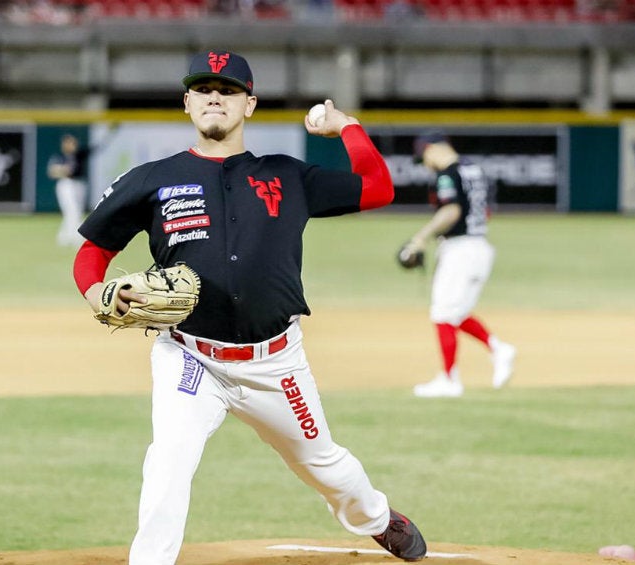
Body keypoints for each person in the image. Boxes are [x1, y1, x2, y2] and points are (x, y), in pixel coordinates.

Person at [72, 50, 427, 565]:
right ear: (188, 102)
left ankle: (376, 519)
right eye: (204, 88)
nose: (215, 96)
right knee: (168, 462)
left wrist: (348, 127)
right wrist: (98, 292)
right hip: (190, 359)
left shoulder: (287, 175)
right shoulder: (151, 179)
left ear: (250, 104)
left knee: (323, 464)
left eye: (229, 89)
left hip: (276, 361)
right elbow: (92, 252)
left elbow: (378, 188)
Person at [405, 129, 517, 398]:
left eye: (425, 159)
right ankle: (498, 348)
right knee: (456, 311)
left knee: (442, 312)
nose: (427, 166)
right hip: (480, 246)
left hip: (461, 249)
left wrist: (420, 238)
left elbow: (451, 210)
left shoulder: (448, 175)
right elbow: (485, 210)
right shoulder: (474, 170)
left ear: (430, 149)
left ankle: (449, 379)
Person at [49, 133, 89, 247]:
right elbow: (52, 172)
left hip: (79, 184)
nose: (72, 145)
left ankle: (64, 237)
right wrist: (63, 170)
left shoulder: (79, 155)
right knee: (72, 211)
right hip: (66, 184)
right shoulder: (59, 157)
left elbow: (96, 147)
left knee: (76, 212)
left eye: (73, 142)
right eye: (69, 143)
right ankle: (77, 238)